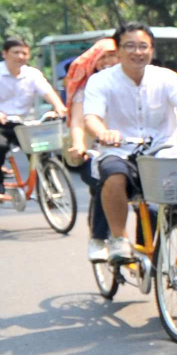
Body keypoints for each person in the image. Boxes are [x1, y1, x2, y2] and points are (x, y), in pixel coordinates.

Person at [81, 23, 177, 257]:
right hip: (121, 151)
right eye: (130, 46)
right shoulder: (101, 81)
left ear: (152, 50)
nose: (137, 52)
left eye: (143, 46)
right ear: (118, 51)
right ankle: (118, 239)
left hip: (164, 155)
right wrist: (103, 133)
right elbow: (91, 118)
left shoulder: (167, 77)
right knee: (113, 174)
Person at [0, 38, 67, 195]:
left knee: (42, 149)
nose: (20, 56)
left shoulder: (33, 74)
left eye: (24, 53)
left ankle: (48, 188)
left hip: (20, 123)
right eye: (16, 52)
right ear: (4, 53)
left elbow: (47, 91)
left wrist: (59, 107)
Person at [64, 37, 120, 261]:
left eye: (112, 56)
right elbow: (78, 121)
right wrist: (78, 143)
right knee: (105, 182)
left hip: (133, 147)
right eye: (102, 57)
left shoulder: (134, 81)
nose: (108, 61)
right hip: (98, 149)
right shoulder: (87, 87)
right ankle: (99, 238)